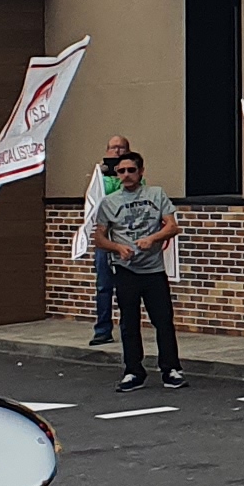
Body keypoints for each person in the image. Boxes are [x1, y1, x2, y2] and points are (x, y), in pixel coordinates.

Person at [91, 152, 184, 389]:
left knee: (163, 320)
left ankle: (171, 369)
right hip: (126, 270)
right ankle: (133, 371)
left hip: (153, 270)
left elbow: (173, 227)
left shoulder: (156, 194)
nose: (126, 175)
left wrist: (152, 239)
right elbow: (99, 238)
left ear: (141, 172)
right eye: (121, 171)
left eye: (131, 170)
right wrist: (117, 248)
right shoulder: (109, 202)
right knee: (129, 322)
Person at [76, 135, 135, 345]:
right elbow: (94, 199)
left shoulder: (132, 174)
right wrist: (100, 175)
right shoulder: (99, 176)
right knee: (103, 286)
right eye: (113, 147)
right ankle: (102, 329)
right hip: (104, 238)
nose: (117, 151)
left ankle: (128, 328)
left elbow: (129, 195)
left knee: (127, 286)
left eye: (121, 148)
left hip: (125, 238)